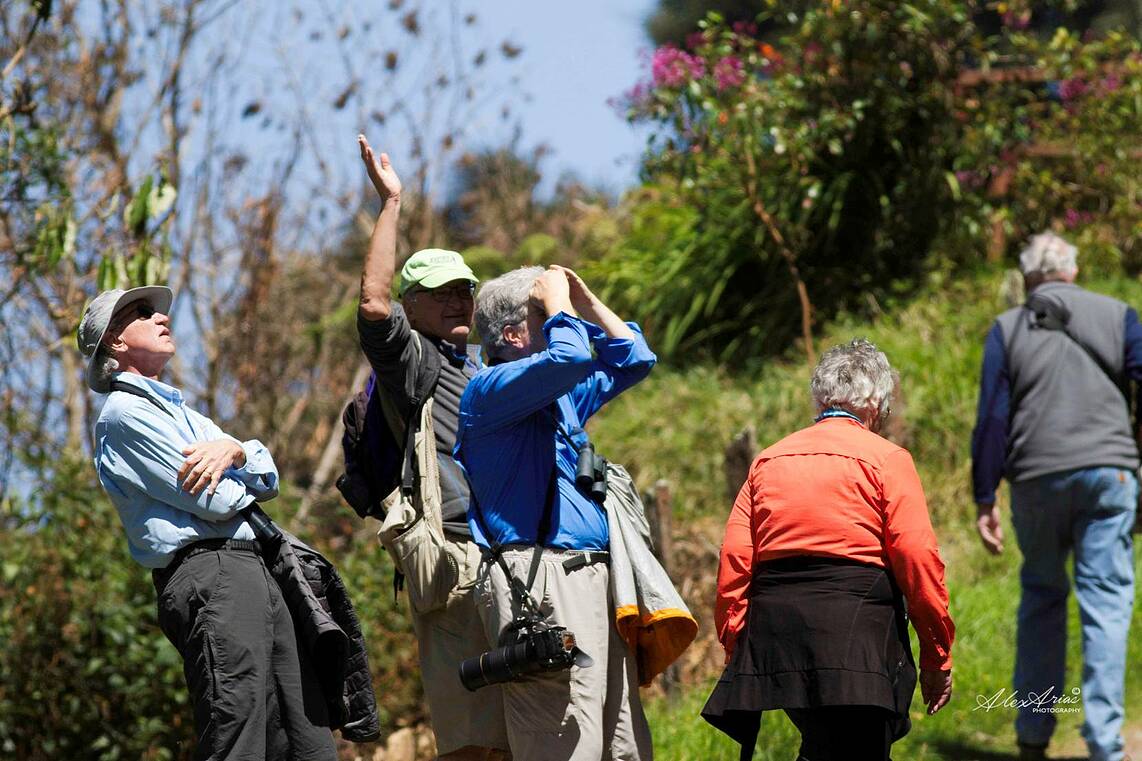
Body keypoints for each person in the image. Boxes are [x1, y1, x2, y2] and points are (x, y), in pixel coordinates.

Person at [79, 285, 339, 760]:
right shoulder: (123, 416)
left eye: (157, 311)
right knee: (238, 728)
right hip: (211, 574)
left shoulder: (185, 414)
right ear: (114, 342)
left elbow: (268, 473)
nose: (160, 317)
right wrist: (241, 458)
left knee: (308, 734)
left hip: (257, 568)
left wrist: (236, 450)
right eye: (142, 313)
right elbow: (218, 498)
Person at [703, 339, 955, 761]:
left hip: (779, 636)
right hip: (856, 635)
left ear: (819, 398)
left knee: (825, 745)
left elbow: (734, 561)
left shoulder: (768, 461)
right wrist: (937, 653)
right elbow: (917, 558)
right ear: (877, 403)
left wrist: (738, 647)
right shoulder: (887, 459)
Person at [454, 265, 657, 761]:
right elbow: (571, 355)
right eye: (544, 314)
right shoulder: (489, 391)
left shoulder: (558, 396)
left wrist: (581, 300)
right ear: (513, 335)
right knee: (564, 742)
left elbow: (635, 358)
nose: (558, 320)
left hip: (592, 577)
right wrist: (558, 304)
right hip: (540, 580)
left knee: (622, 742)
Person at [354, 135, 510, 760]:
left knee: (525, 716)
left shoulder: (477, 366)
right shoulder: (410, 360)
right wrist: (392, 204)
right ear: (412, 306)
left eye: (465, 291)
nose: (457, 301)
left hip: (505, 550)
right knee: (474, 733)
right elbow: (370, 303)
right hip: (452, 554)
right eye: (442, 292)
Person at [972, 231, 1140, 761]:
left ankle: (1034, 735)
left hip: (1036, 479)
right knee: (1106, 603)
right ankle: (1104, 743)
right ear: (1073, 271)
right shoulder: (1120, 315)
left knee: (1042, 596)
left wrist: (984, 495)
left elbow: (994, 420)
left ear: (1028, 277)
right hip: (1110, 475)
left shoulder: (1007, 327)